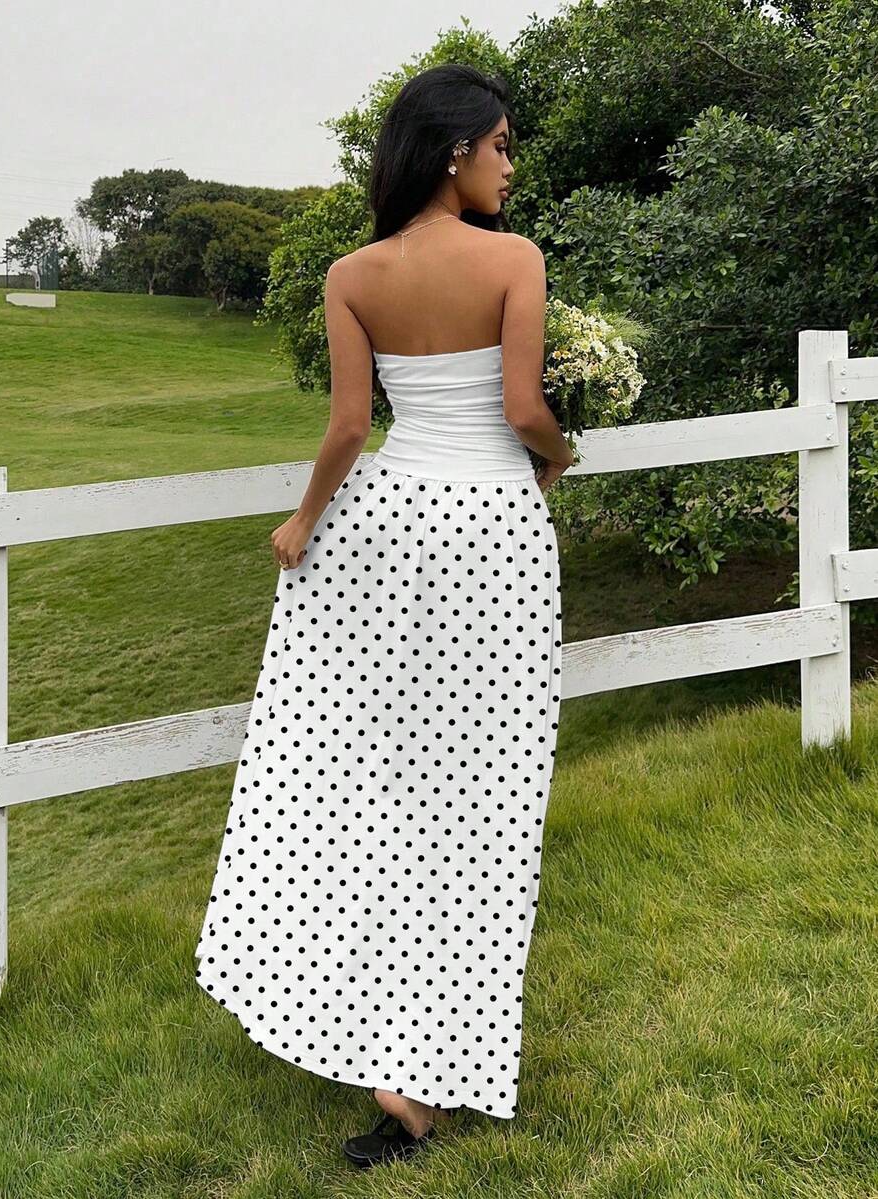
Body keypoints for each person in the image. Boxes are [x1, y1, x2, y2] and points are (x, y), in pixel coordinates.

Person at [194, 62, 574, 1169]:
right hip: (489, 530)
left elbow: (351, 427)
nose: (509, 165)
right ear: (455, 150)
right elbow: (521, 408)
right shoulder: (515, 259)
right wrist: (562, 451)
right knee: (480, 794)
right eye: (500, 144)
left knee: (367, 783)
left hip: (386, 527)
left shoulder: (351, 274)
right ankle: (427, 1066)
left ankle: (383, 1049)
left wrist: (303, 521)